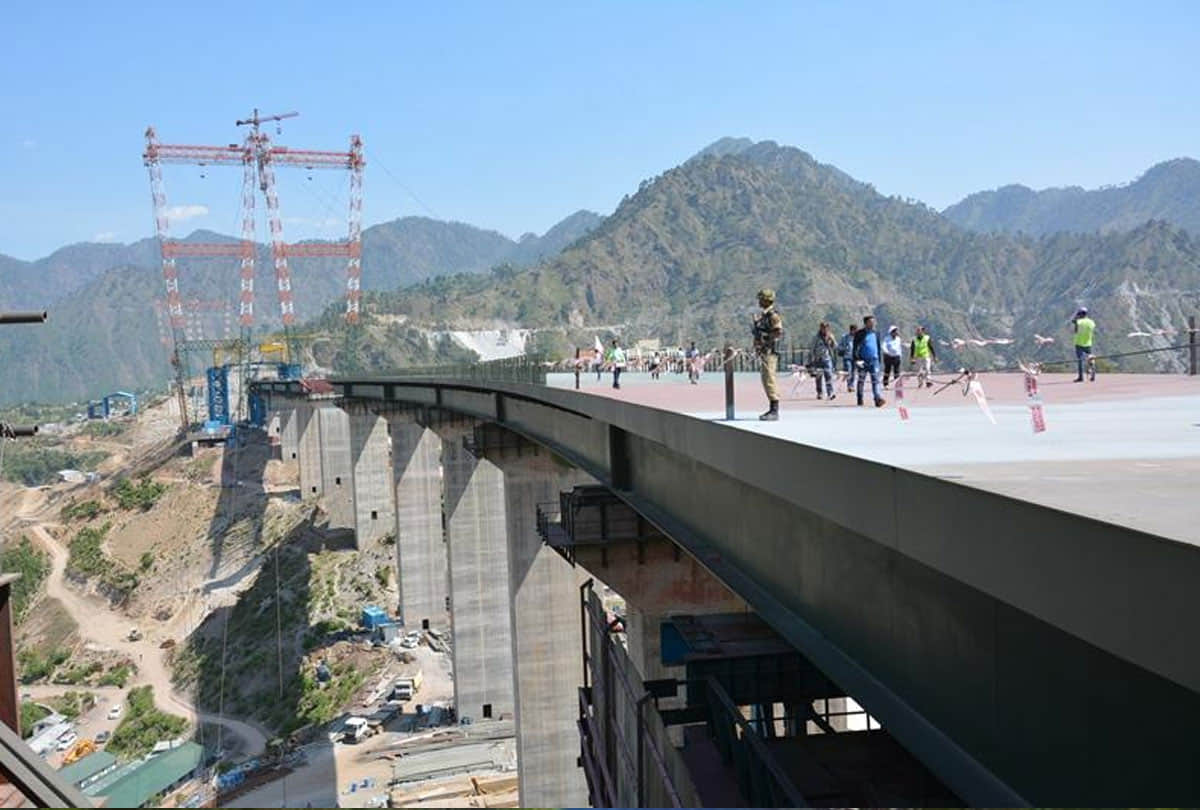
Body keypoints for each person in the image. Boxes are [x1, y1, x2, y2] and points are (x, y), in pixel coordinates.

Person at [752, 288, 784, 420]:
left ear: (766, 300)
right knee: (766, 379)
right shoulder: (764, 316)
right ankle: (772, 408)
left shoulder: (773, 316)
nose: (759, 301)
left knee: (769, 379)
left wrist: (765, 340)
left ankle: (774, 410)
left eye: (761, 299)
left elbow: (777, 332)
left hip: (770, 351)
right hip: (765, 351)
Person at [853, 315, 885, 407]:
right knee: (861, 380)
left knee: (876, 380)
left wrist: (879, 360)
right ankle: (860, 398)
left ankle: (877, 398)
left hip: (874, 360)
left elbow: (878, 347)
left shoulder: (876, 333)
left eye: (874, 322)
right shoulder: (859, 333)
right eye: (871, 322)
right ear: (866, 323)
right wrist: (856, 360)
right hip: (863, 361)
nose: (873, 323)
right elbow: (855, 348)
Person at [810, 322, 837, 400]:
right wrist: (812, 359)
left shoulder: (830, 336)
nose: (825, 329)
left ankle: (830, 393)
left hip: (827, 359)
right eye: (823, 328)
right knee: (818, 376)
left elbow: (835, 347)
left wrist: (832, 340)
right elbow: (812, 348)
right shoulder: (816, 337)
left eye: (826, 328)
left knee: (828, 375)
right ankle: (820, 392)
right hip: (818, 359)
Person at [1071, 307, 1096, 382]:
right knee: (1090, 359)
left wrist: (1076, 316)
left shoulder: (1079, 322)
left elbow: (1075, 327)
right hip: (1088, 343)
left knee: (1080, 360)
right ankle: (1093, 373)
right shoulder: (1091, 322)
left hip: (1079, 343)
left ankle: (1081, 377)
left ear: (1080, 314)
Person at [837, 324, 857, 392]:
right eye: (853, 330)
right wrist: (844, 349)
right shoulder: (845, 337)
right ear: (851, 330)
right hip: (847, 357)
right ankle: (849, 385)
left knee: (853, 372)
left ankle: (852, 385)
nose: (854, 332)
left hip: (855, 357)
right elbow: (839, 346)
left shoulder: (858, 337)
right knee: (848, 371)